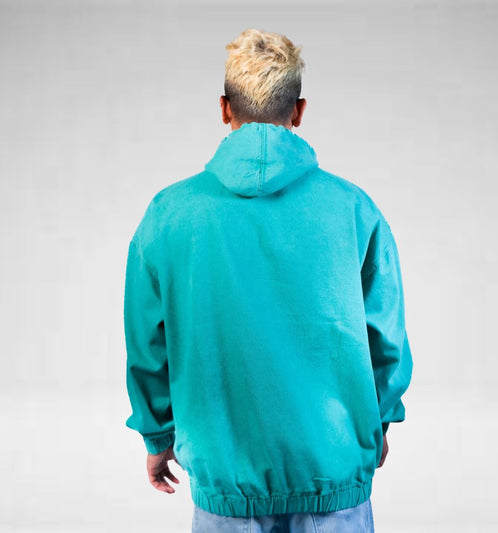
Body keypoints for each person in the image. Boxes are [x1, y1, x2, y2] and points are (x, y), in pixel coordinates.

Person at [124, 28, 413, 533]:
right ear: (298, 112)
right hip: (333, 479)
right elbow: (385, 337)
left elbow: (147, 343)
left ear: (224, 109)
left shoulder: (168, 215)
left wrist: (157, 435)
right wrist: (380, 421)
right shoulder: (353, 210)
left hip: (224, 487)